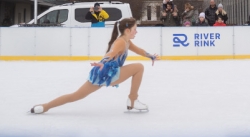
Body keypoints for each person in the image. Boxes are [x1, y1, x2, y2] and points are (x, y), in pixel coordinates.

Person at [30, 18, 159, 114]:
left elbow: (139, 50)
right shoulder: (120, 42)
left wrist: (150, 56)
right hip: (108, 72)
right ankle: (132, 100)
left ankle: (45, 107)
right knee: (139, 67)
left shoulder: (126, 41)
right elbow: (112, 53)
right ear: (127, 30)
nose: (136, 31)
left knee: (75, 96)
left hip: (104, 72)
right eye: (135, 29)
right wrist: (102, 63)